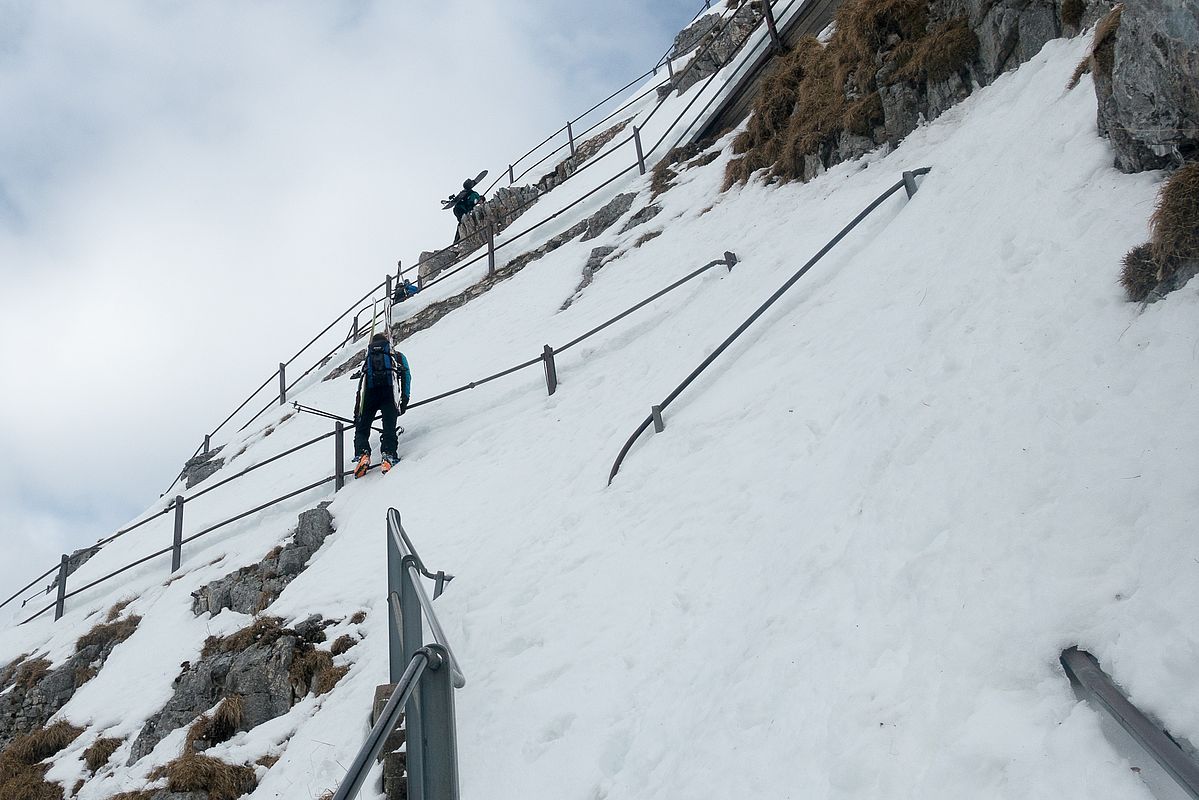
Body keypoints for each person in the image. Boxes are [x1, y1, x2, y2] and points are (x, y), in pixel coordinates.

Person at [352, 333, 411, 476]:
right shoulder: (396, 356)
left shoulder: (368, 358)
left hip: (370, 396)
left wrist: (357, 410)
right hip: (389, 394)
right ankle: (388, 455)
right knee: (389, 427)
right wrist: (404, 398)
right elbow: (406, 376)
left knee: (362, 428)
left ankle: (363, 455)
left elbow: (362, 384)